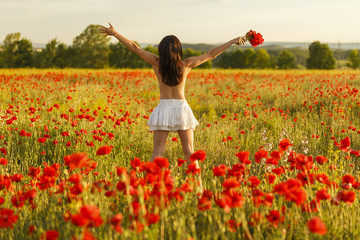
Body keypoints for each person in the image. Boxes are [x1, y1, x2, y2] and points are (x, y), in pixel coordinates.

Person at [99, 23, 245, 167]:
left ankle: (146, 185)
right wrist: (232, 41)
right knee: (189, 152)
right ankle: (198, 187)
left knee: (157, 153)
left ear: (161, 51)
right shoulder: (186, 65)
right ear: (179, 50)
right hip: (181, 109)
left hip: (163, 108)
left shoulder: (157, 63)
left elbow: (135, 48)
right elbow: (211, 54)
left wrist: (116, 34)